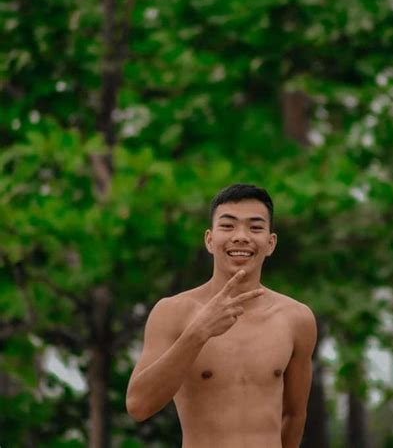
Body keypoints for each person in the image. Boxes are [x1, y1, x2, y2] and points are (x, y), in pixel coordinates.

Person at [126, 184, 317, 448]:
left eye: (255, 227)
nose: (241, 237)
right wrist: (198, 332)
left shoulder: (297, 318)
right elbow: (138, 405)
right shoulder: (173, 312)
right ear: (209, 239)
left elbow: (294, 415)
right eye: (228, 226)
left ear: (270, 243)